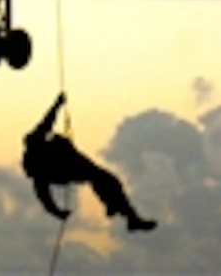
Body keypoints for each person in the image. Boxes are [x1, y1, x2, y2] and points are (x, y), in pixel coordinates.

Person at [22, 92, 156, 232]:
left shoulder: (38, 141)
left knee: (104, 180)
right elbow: (44, 196)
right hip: (71, 169)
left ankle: (122, 212)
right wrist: (58, 212)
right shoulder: (38, 168)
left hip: (74, 165)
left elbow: (47, 121)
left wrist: (57, 104)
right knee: (104, 180)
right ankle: (126, 214)